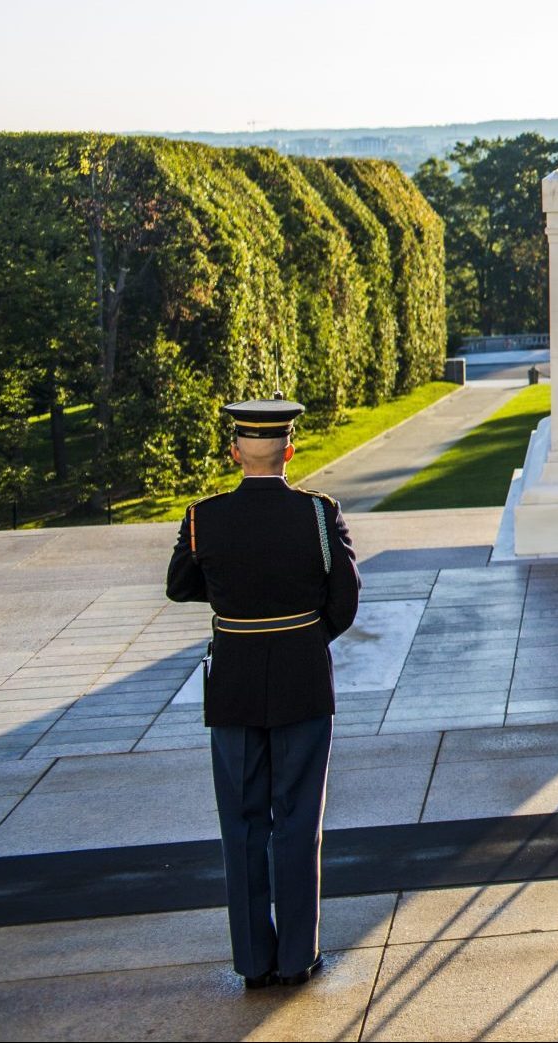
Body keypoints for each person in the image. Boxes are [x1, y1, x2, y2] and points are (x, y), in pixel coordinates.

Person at [166, 395, 360, 988]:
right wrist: (307, 637)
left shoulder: (205, 517)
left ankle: (254, 962)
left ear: (235, 452)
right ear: (289, 451)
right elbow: (345, 596)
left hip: (234, 683)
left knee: (243, 824)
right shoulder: (319, 515)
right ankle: (298, 958)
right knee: (297, 821)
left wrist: (234, 596)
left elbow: (179, 585)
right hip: (302, 680)